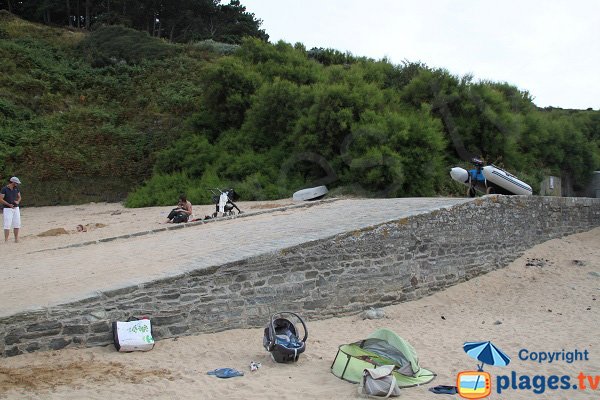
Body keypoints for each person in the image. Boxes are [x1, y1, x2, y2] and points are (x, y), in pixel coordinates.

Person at [1, 177, 22, 243]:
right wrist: (8, 204)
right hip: (7, 209)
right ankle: (6, 240)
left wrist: (18, 201)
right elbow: (1, 199)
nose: (17, 184)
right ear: (13, 182)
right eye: (17, 183)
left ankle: (16, 238)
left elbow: (19, 197)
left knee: (17, 223)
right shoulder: (4, 189)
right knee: (7, 224)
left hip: (16, 208)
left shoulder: (16, 188)